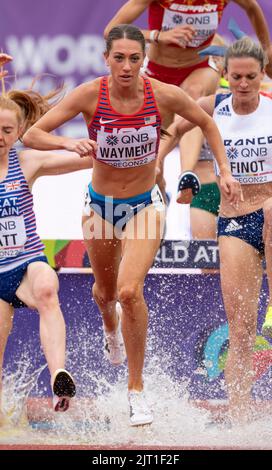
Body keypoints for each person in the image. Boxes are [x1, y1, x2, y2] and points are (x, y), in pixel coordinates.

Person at [22, 24, 240, 426]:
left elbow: (207, 123)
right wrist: (69, 143)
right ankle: (111, 332)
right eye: (118, 58)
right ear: (106, 58)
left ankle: (136, 391)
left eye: (134, 58)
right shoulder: (90, 94)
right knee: (104, 294)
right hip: (100, 208)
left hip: (144, 205)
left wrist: (224, 172)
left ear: (144, 60)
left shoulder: (162, 94)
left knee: (127, 290)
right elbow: (32, 134)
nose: (126, 66)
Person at [158, 36, 272, 424]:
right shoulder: (213, 107)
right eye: (236, 76)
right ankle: (239, 418)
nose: (243, 85)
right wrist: (156, 164)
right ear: (224, 74)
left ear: (262, 76)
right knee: (241, 328)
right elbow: (172, 128)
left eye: (251, 77)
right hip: (236, 220)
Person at [104, 1, 272, 204]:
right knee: (151, 159)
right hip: (158, 71)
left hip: (199, 66)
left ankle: (187, 175)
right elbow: (111, 30)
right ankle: (160, 195)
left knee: (192, 97)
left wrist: (266, 51)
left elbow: (252, 8)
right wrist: (158, 36)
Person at [0, 87, 93, 425]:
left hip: (26, 264)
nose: (1, 137)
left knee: (47, 287)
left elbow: (87, 158)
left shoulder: (26, 160)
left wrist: (91, 143)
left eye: (8, 131)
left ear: (19, 132)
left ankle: (59, 382)